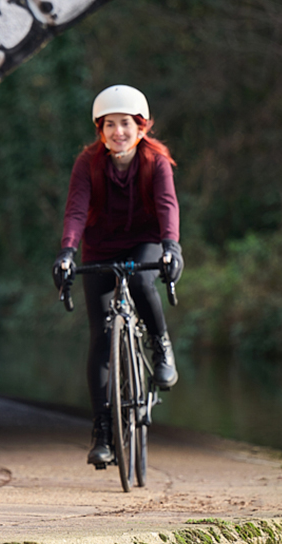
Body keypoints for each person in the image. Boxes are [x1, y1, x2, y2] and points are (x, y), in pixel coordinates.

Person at [53, 85, 183, 466]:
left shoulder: (156, 161)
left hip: (144, 243)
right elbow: (76, 210)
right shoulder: (87, 163)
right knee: (102, 337)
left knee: (143, 282)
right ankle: (103, 432)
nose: (118, 132)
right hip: (100, 249)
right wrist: (66, 252)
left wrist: (171, 247)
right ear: (100, 129)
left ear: (141, 127)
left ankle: (161, 345)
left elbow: (167, 206)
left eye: (125, 124)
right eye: (110, 125)